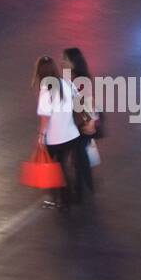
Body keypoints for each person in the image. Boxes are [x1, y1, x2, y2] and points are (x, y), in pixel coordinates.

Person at [34, 55, 83, 209]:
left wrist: (41, 136)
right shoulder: (66, 83)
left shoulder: (45, 90)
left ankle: (61, 199)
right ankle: (71, 195)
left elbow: (45, 117)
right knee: (64, 166)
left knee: (55, 169)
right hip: (72, 135)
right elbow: (79, 101)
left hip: (55, 139)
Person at [63, 46, 99, 195]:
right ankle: (83, 187)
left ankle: (84, 188)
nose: (62, 61)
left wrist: (90, 122)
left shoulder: (80, 79)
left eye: (65, 59)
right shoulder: (70, 76)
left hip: (81, 122)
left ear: (73, 62)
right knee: (78, 155)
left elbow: (88, 101)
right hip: (75, 121)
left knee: (80, 156)